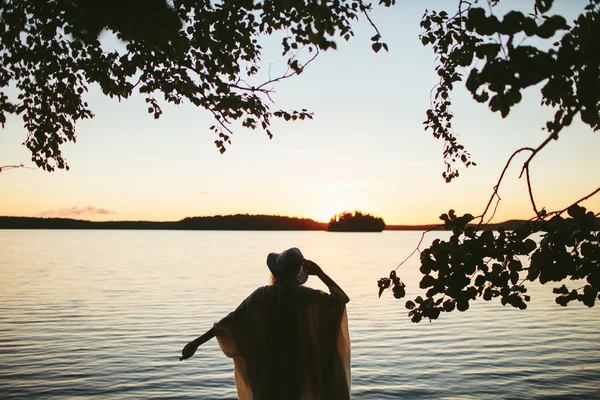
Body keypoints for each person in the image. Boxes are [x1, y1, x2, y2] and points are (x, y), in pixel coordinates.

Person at [180, 247, 351, 400]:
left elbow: (229, 322)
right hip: (299, 367)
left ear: (276, 272)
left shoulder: (262, 295)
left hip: (269, 369)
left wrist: (196, 342)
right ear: (298, 274)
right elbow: (342, 299)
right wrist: (320, 273)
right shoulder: (308, 297)